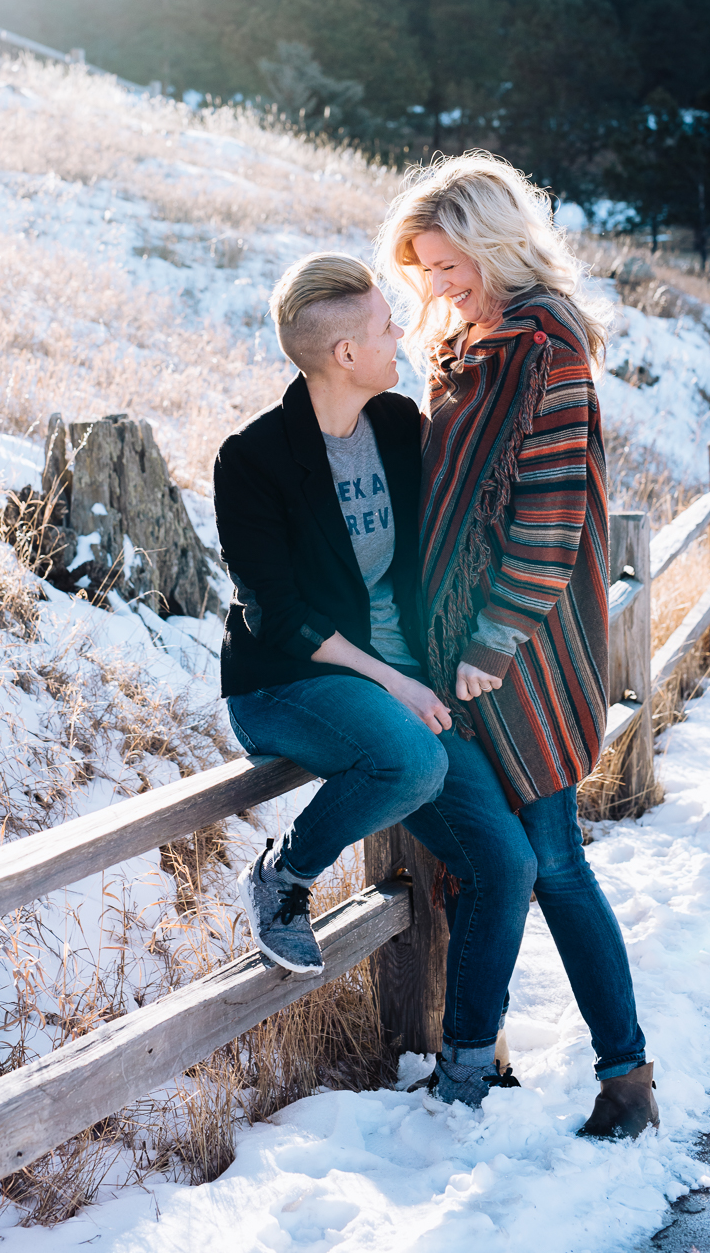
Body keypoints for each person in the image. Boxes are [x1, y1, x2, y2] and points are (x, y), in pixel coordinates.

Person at [375, 152, 659, 1140]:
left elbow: (547, 516)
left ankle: (624, 1075)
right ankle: (480, 1061)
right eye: (427, 275)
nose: (439, 289)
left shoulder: (545, 350)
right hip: (459, 649)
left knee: (550, 859)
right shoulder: (475, 345)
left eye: (451, 267)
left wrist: (493, 637)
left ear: (494, 244)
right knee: (503, 861)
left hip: (519, 653)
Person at [213, 252, 452, 977]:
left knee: (494, 839)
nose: (401, 335)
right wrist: (397, 685)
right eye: (387, 326)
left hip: (386, 672)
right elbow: (279, 618)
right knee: (412, 760)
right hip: (283, 682)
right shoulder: (253, 459)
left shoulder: (395, 422)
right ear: (347, 353)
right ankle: (283, 876)